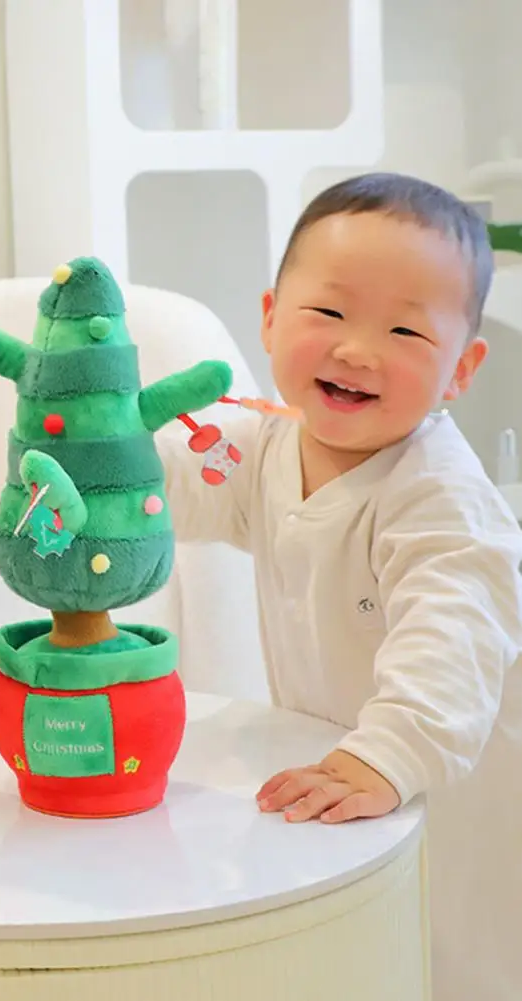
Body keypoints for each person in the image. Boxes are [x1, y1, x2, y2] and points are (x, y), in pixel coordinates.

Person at [158, 171, 522, 1001]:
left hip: (444, 776)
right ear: (269, 317)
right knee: (360, 945)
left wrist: (387, 753)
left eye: (404, 330)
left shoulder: (442, 501)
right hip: (349, 772)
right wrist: (113, 482)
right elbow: (177, 486)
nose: (357, 349)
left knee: (457, 952)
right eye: (327, 314)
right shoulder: (266, 443)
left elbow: (451, 643)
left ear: (460, 369)